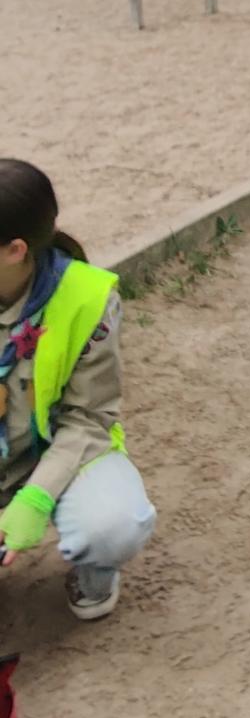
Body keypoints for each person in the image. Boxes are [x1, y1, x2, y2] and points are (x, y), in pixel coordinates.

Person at [0, 159, 155, 619]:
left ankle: (94, 573)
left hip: (61, 454)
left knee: (112, 525)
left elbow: (88, 418)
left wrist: (36, 496)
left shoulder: (88, 299)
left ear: (15, 250)